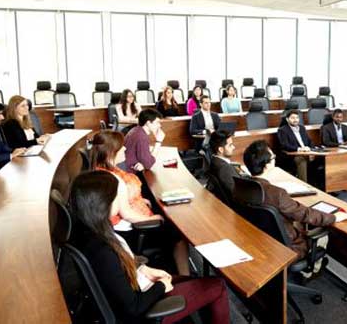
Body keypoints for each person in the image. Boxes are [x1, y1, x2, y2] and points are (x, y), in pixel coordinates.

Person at [69, 171, 229, 324]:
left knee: (193, 281)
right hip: (145, 311)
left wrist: (143, 269)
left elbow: (118, 272)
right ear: (105, 203)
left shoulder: (91, 231)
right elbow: (134, 307)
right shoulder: (103, 251)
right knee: (217, 285)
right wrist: (161, 286)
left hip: (140, 284)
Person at [89, 130, 190, 275]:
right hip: (132, 229)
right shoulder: (113, 180)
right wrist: (151, 218)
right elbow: (127, 213)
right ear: (112, 152)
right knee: (178, 235)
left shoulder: (101, 170)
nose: (125, 149)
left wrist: (139, 199)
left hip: (119, 226)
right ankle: (185, 276)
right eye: (121, 147)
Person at [242, 140, 347, 259]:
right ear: (267, 165)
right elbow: (305, 214)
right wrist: (334, 217)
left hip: (264, 240)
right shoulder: (277, 193)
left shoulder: (243, 186)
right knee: (322, 234)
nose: (275, 159)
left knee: (300, 223)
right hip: (289, 247)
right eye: (273, 157)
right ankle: (310, 271)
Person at [276, 109, 318, 183]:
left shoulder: (302, 128)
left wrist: (311, 149)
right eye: (292, 118)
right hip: (292, 156)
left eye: (297, 118)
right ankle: (304, 185)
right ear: (287, 119)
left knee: (322, 159)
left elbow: (310, 141)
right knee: (301, 160)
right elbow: (285, 145)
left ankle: (319, 185)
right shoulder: (282, 130)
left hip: (306, 153)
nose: (295, 120)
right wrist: (299, 149)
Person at [207, 130, 248, 200]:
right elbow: (237, 194)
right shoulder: (224, 168)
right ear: (221, 149)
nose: (233, 147)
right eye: (230, 145)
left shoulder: (215, 161)